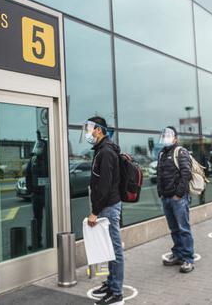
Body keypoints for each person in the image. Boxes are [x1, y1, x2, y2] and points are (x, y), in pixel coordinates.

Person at [83, 117, 124, 305]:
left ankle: (116, 292)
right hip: (106, 206)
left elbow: (105, 186)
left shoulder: (106, 152)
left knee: (115, 250)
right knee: (108, 248)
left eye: (90, 128)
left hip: (109, 207)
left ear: (99, 130)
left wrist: (95, 211)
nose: (88, 132)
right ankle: (110, 283)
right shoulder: (102, 150)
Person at [156, 127, 194, 273]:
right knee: (174, 229)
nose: (166, 138)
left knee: (184, 228)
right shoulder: (161, 154)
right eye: (164, 135)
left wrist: (178, 194)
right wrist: (161, 192)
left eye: (169, 135)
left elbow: (186, 174)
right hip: (166, 197)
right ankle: (178, 254)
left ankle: (188, 259)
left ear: (175, 138)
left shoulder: (181, 152)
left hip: (178, 198)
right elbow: (160, 175)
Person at [25, 137, 48, 250]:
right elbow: (28, 175)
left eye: (40, 146)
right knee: (37, 219)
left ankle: (52, 240)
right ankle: (37, 242)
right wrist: (30, 190)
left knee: (51, 218)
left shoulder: (49, 159)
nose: (38, 148)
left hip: (47, 194)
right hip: (36, 194)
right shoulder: (33, 160)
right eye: (37, 146)